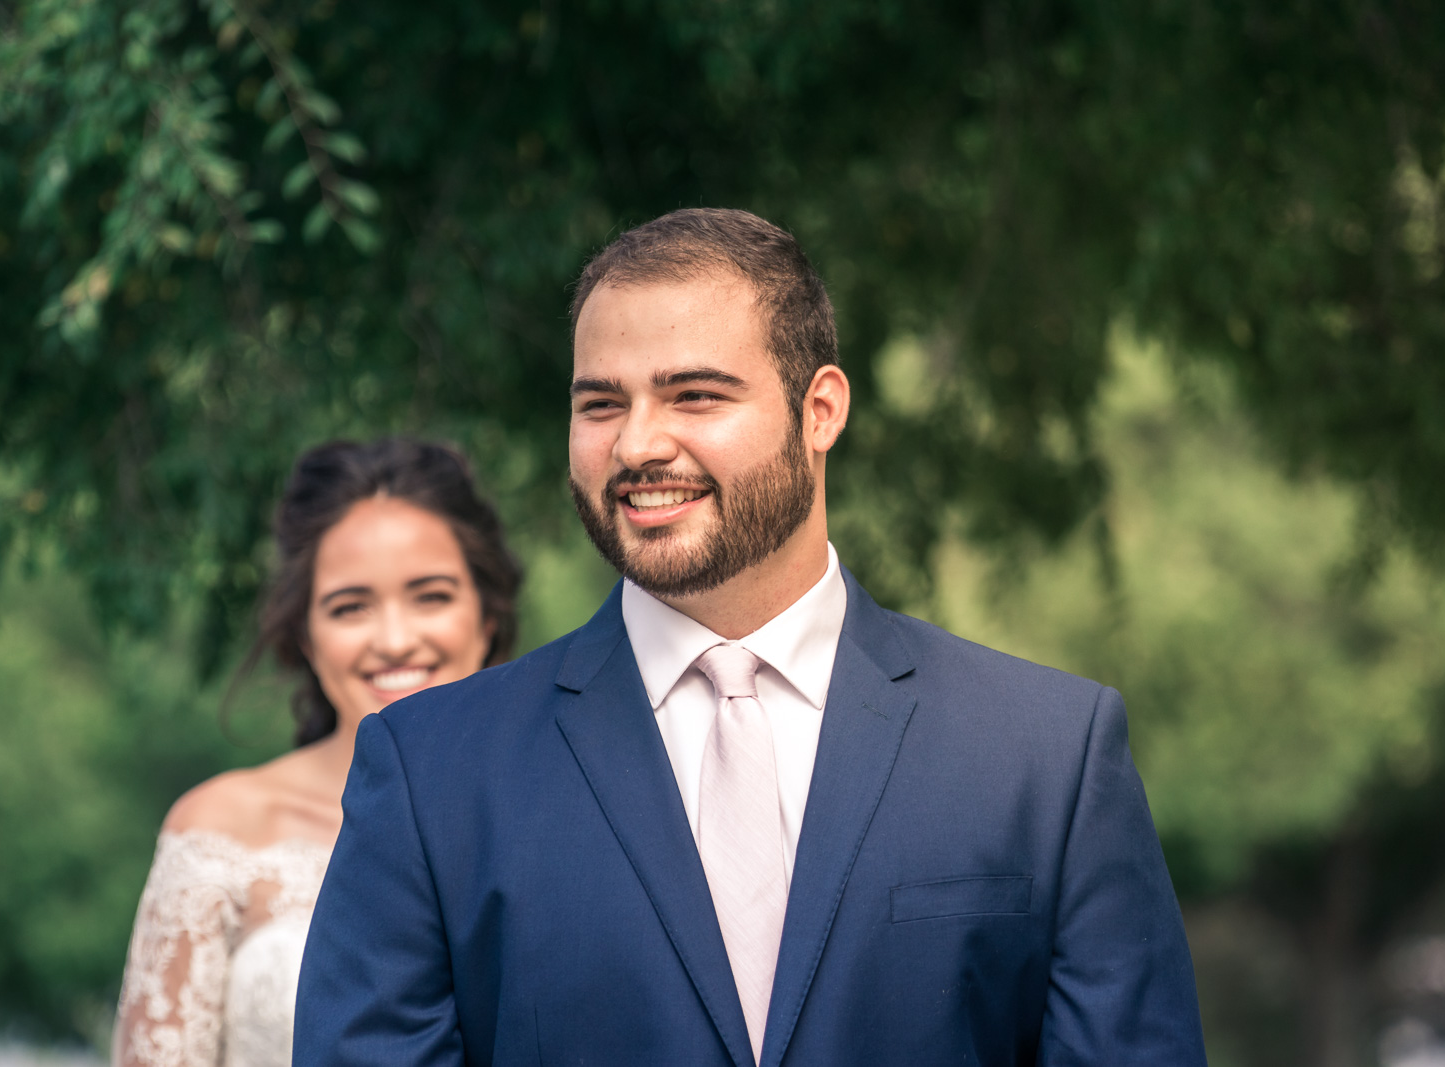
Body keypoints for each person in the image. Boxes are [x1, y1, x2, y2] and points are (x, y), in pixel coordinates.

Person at [294, 209, 1207, 1065]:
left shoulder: (1047, 754)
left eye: (694, 394)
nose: (638, 445)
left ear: (821, 411)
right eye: (601, 404)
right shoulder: (430, 770)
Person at [112, 438, 522, 1067]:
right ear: (306, 634)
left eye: (431, 596)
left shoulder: (560, 813)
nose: (393, 639)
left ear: (486, 615)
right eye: (350, 606)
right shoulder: (219, 832)